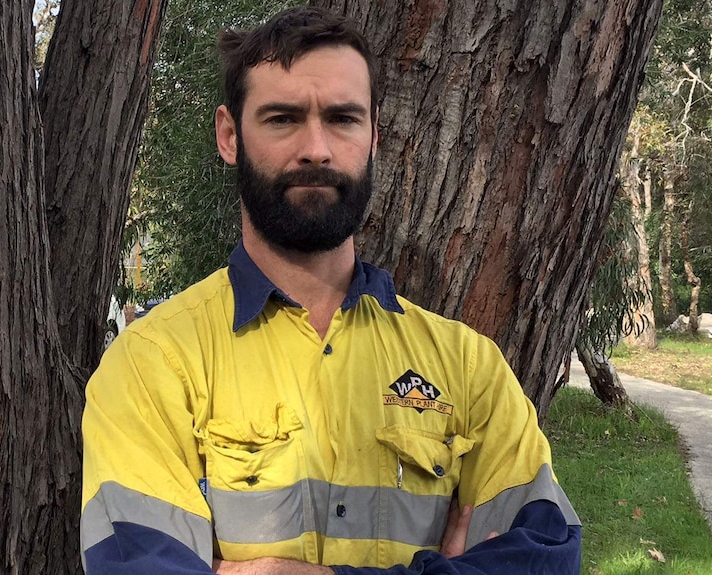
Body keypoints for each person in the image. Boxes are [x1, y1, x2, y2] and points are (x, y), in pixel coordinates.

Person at [80, 7, 581, 575]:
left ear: (373, 139)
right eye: (282, 118)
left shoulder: (470, 367)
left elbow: (550, 558)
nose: (316, 148)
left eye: (343, 119)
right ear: (229, 135)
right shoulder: (153, 365)